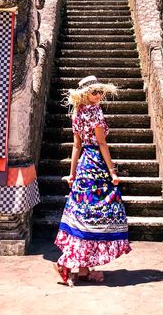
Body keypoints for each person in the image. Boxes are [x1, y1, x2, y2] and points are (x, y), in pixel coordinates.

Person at [53, 75, 131, 285]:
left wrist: (73, 173)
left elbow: (76, 146)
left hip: (84, 166)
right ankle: (66, 263)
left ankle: (85, 268)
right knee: (98, 213)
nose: (99, 95)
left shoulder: (77, 114)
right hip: (95, 164)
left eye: (100, 91)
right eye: (95, 92)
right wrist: (112, 172)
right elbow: (102, 144)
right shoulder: (95, 113)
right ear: (85, 94)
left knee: (82, 214)